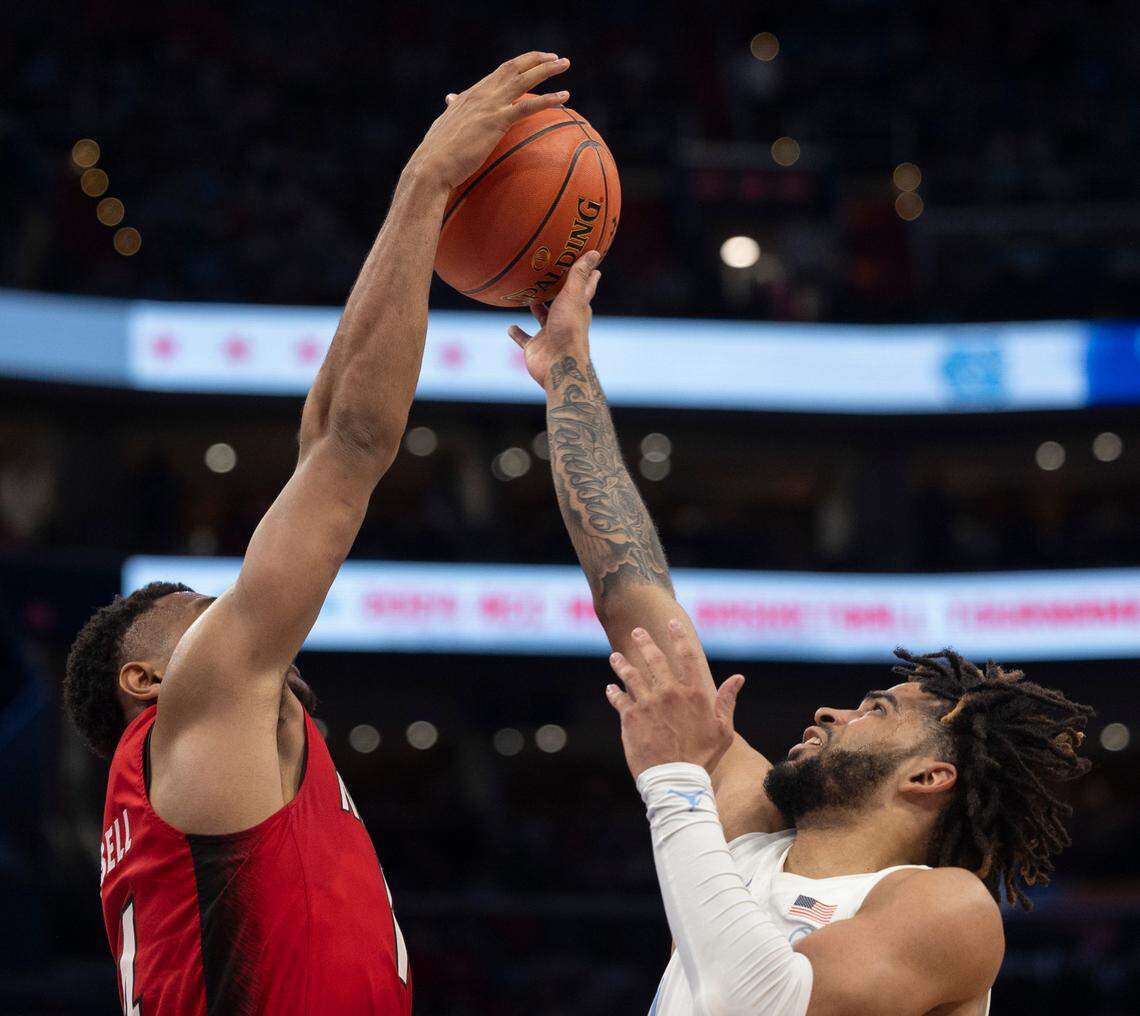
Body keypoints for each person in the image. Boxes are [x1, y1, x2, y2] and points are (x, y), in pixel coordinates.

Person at [63, 51, 572, 1015]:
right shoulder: (206, 701)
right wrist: (425, 183)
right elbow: (353, 445)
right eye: (202, 613)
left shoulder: (201, 755)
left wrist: (418, 212)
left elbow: (322, 443)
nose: (236, 611)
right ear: (147, 681)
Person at [510, 255, 1094, 1015]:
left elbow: (757, 1000)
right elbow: (631, 592)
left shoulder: (945, 909)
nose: (829, 714)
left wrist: (674, 784)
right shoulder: (753, 833)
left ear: (928, 778)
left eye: (878, 711)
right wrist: (566, 376)